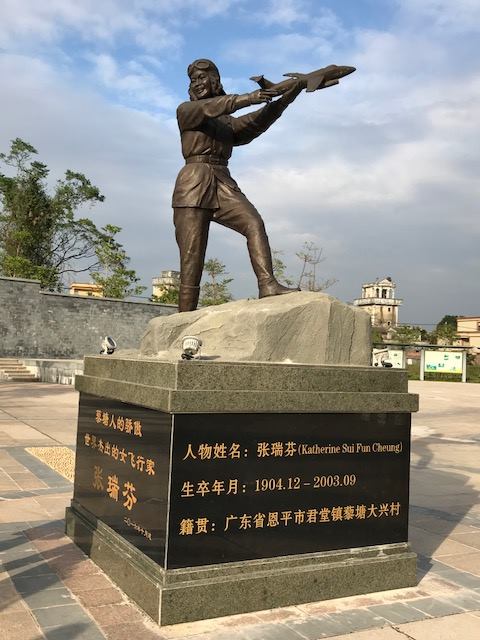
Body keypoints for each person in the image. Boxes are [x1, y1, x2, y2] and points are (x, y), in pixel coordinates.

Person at [172, 59, 304, 312]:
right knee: (192, 259)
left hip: (222, 179)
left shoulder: (225, 122)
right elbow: (219, 105)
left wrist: (286, 98)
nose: (198, 84)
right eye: (194, 80)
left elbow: (254, 123)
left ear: (215, 81)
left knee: (254, 223)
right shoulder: (187, 110)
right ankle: (183, 321)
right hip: (193, 182)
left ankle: (267, 284)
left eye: (203, 79)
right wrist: (252, 96)